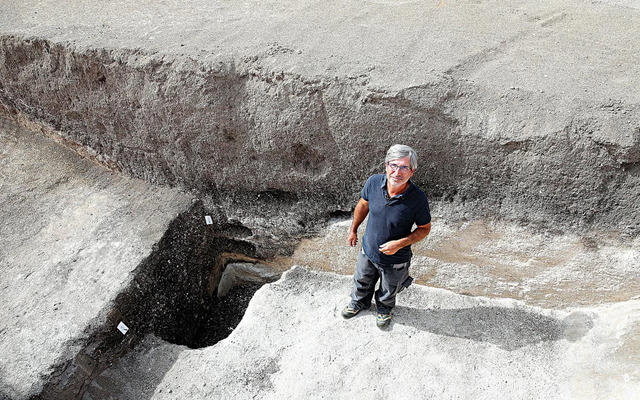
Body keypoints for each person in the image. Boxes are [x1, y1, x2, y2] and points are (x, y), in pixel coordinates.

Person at [342, 144, 431, 328]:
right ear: (386, 165)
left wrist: (400, 243)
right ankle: (359, 303)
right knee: (361, 280)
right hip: (368, 250)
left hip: (395, 259)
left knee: (388, 289)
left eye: (404, 167)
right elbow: (363, 205)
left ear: (412, 171)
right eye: (394, 165)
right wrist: (353, 229)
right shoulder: (374, 182)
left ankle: (384, 310)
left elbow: (424, 228)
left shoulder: (418, 199)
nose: (397, 172)